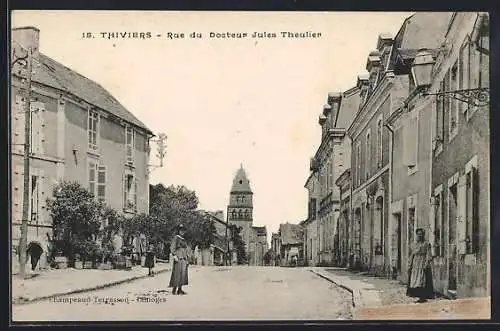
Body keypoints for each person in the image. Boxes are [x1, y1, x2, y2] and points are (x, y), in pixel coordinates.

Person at [406, 228, 434, 303]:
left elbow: (428, 255)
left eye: (421, 234)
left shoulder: (427, 244)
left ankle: (423, 297)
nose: (419, 235)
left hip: (422, 262)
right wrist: (410, 265)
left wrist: (426, 264)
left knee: (422, 280)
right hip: (416, 264)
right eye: (418, 234)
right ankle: (418, 296)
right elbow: (412, 255)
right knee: (415, 281)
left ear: (423, 235)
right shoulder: (414, 244)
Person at [169, 224, 190, 295]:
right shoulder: (176, 238)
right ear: (178, 231)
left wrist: (187, 258)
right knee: (177, 273)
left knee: (183, 274)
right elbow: (172, 247)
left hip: (184, 257)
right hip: (178, 257)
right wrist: (174, 255)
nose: (182, 232)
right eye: (181, 230)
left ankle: (180, 289)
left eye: (183, 230)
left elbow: (186, 248)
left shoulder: (183, 239)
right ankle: (174, 289)